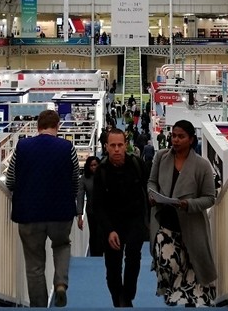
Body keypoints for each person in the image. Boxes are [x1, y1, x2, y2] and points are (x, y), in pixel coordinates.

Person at [5, 109, 82, 308]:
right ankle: (60, 284)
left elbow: (11, 179)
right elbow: (75, 180)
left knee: (34, 264)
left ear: (38, 126)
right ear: (57, 126)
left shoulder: (22, 147)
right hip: (60, 213)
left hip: (29, 214)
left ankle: (38, 306)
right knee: (62, 245)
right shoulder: (68, 147)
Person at [148, 119, 217, 307]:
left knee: (191, 268)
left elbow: (210, 197)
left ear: (191, 139)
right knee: (167, 264)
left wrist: (188, 204)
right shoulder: (161, 157)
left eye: (181, 136)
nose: (176, 140)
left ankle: (179, 300)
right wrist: (153, 195)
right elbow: (151, 182)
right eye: (174, 135)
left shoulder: (202, 166)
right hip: (164, 223)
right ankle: (171, 293)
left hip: (191, 226)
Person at [92, 129, 148, 308]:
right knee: (113, 267)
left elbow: (148, 192)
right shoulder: (101, 171)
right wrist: (109, 230)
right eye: (113, 145)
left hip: (135, 221)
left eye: (120, 145)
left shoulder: (137, 164)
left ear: (126, 145)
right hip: (111, 224)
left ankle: (127, 297)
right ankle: (118, 300)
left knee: (133, 257)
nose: (117, 149)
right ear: (106, 147)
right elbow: (97, 205)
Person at [77, 156, 104, 257]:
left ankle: (101, 253)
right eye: (91, 165)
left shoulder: (104, 176)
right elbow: (80, 196)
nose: (94, 167)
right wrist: (80, 214)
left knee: (101, 232)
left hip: (104, 210)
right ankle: (94, 255)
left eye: (95, 165)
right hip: (91, 211)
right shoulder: (84, 179)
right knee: (93, 233)